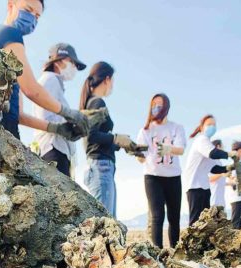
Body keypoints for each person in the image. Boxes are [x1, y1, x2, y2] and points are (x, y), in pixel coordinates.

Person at [0, 0, 88, 140]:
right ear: (11, 5)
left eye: (37, 16)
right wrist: (68, 113)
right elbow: (31, 89)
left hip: (2, 131)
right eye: (28, 10)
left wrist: (56, 128)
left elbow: (18, 114)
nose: (32, 18)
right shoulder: (9, 34)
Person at [80, 62, 137, 218]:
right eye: (112, 81)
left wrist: (122, 144)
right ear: (107, 79)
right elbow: (92, 136)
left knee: (106, 222)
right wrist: (116, 138)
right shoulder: (97, 102)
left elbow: (97, 138)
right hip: (101, 167)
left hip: (100, 167)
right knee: (105, 223)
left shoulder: (90, 102)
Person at [135, 93, 186, 248]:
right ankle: (157, 253)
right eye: (153, 104)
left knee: (174, 217)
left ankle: (175, 250)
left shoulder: (176, 128)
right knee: (157, 216)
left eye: (160, 104)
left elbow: (181, 149)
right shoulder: (145, 130)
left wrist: (167, 148)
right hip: (153, 177)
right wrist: (136, 153)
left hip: (173, 176)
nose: (156, 107)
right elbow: (142, 158)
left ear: (166, 107)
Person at [32, 43, 86, 177]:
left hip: (56, 149)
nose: (73, 67)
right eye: (72, 62)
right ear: (59, 60)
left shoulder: (54, 83)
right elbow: (45, 117)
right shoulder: (50, 79)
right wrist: (69, 126)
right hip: (53, 149)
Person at [185, 115, 237, 225]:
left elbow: (214, 168)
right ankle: (191, 242)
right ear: (202, 126)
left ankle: (203, 242)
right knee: (196, 221)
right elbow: (213, 154)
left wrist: (230, 167)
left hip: (204, 187)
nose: (212, 127)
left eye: (214, 125)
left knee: (205, 222)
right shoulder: (201, 140)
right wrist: (229, 154)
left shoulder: (207, 143)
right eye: (209, 124)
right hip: (194, 186)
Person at [228, 141, 241, 230]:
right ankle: (232, 241)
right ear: (240, 150)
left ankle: (238, 240)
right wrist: (233, 180)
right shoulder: (235, 164)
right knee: (236, 222)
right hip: (236, 197)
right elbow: (230, 177)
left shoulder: (240, 164)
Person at [209, 140, 228, 212]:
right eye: (223, 146)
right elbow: (209, 178)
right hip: (213, 201)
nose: (224, 148)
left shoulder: (219, 162)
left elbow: (220, 182)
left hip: (221, 201)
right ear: (218, 146)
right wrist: (222, 174)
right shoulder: (212, 161)